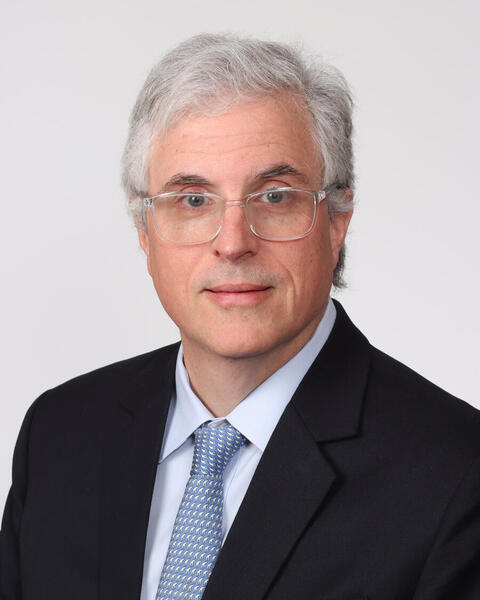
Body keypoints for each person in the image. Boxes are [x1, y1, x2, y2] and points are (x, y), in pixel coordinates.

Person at [1, 33, 480, 600]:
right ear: (144, 230)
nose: (232, 243)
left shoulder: (457, 474)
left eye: (274, 197)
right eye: (193, 200)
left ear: (337, 219)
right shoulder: (60, 434)